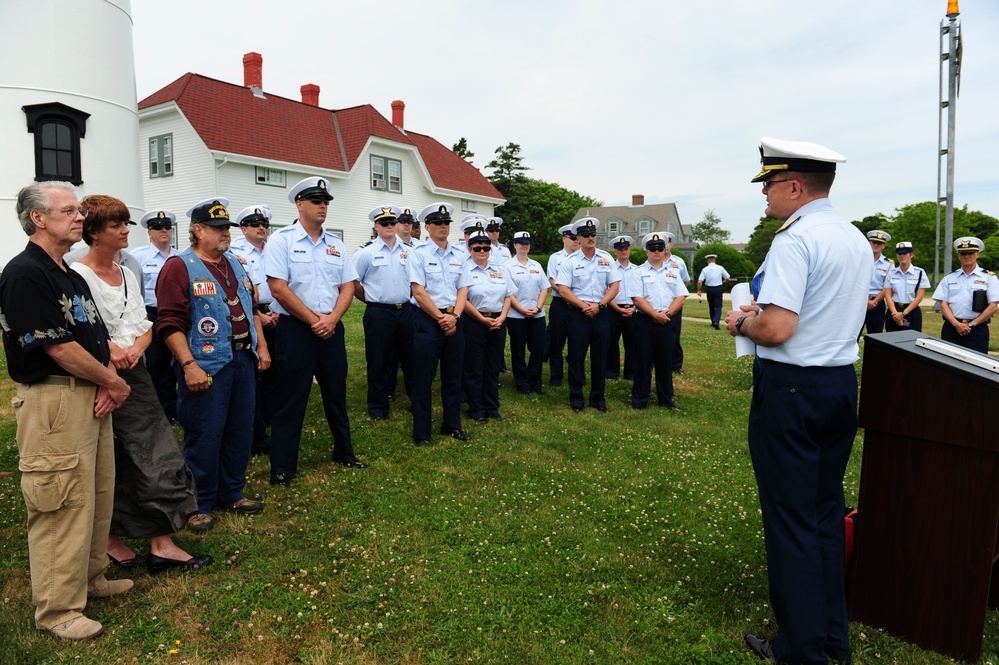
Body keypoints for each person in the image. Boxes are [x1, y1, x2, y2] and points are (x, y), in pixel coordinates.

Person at [725, 137, 870, 665]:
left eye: (768, 185)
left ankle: (800, 649)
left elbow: (779, 326)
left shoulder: (795, 239)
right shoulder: (853, 238)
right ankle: (832, 638)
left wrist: (742, 321)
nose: (764, 196)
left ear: (793, 185)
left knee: (790, 520)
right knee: (825, 511)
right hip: (837, 385)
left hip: (793, 390)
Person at [0, 182, 133, 640]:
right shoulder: (25, 273)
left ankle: (91, 580)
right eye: (70, 210)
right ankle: (58, 611)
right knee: (59, 502)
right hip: (55, 400)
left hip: (89, 394)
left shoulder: (69, 273)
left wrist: (104, 384)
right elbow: (57, 347)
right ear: (38, 218)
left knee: (95, 494)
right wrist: (113, 382)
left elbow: (91, 337)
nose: (81, 217)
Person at [70, 194, 210, 575]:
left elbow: (145, 325)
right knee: (110, 459)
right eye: (116, 225)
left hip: (135, 374)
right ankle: (112, 539)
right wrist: (112, 353)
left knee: (156, 450)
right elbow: (81, 331)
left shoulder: (128, 272)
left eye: (125, 223)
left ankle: (160, 542)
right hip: (97, 375)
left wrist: (134, 349)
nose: (124, 230)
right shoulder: (77, 276)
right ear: (94, 233)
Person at [156, 197, 269, 532]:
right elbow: (169, 323)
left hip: (242, 357)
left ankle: (231, 490)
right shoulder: (180, 266)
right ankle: (199, 503)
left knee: (240, 429)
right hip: (205, 362)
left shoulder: (234, 262)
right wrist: (188, 364)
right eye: (218, 229)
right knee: (205, 432)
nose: (225, 234)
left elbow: (251, 307)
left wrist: (261, 346)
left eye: (226, 229)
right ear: (197, 230)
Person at [264, 177, 366, 486]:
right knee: (291, 397)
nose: (323, 206)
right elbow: (278, 289)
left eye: (326, 202)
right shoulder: (281, 240)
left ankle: (344, 452)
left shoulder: (335, 244)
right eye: (316, 201)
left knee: (336, 393)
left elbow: (347, 286)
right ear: (299, 204)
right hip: (296, 330)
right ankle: (282, 466)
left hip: (331, 329)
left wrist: (333, 318)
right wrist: (314, 320)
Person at [408, 202, 470, 446]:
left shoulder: (459, 255)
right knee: (423, 377)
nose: (443, 227)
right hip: (427, 320)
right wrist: (441, 318)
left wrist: (454, 316)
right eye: (438, 223)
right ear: (427, 227)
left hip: (454, 319)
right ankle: (422, 432)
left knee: (454, 376)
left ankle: (452, 425)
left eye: (446, 223)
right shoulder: (418, 254)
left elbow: (463, 289)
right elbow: (418, 291)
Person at [352, 206, 415, 420]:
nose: (389, 226)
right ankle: (378, 407)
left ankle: (416, 401)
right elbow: (354, 282)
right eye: (384, 223)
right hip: (379, 313)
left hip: (406, 311)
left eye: (392, 222)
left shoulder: (408, 251)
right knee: (378, 359)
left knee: (411, 358)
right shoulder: (365, 252)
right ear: (376, 226)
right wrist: (370, 299)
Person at [556, 217, 620, 412]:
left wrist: (600, 305)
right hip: (578, 314)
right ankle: (576, 399)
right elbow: (563, 289)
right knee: (576, 357)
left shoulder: (606, 258)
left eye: (593, 234)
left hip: (600, 314)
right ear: (578, 238)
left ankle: (598, 399)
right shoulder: (570, 261)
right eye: (586, 235)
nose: (591, 238)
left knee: (600, 358)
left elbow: (615, 286)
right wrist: (584, 306)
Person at [231, 205, 280, 455]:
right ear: (244, 228)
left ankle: (271, 418)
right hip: (250, 314)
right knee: (257, 373)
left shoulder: (277, 247)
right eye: (255, 224)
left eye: (264, 224)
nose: (261, 228)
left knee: (277, 374)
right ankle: (256, 426)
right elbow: (237, 292)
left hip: (280, 312)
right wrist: (259, 315)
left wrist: (279, 310)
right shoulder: (235, 252)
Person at [130, 210, 182, 421]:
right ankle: (158, 411)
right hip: (150, 314)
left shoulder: (180, 257)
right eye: (158, 228)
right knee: (155, 365)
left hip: (177, 316)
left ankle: (175, 409)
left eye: (167, 227)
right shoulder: (138, 256)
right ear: (149, 232)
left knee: (178, 362)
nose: (164, 231)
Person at [459, 230, 513, 422]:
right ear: (470, 248)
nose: (482, 251)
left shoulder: (499, 269)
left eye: (486, 248)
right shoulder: (464, 269)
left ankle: (491, 406)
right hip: (474, 322)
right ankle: (475, 408)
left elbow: (508, 295)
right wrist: (481, 319)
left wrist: (503, 316)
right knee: (474, 367)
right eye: (477, 248)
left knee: (492, 366)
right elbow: (462, 299)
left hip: (498, 322)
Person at [629, 232, 688, 410]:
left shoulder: (673, 273)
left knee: (665, 362)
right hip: (645, 322)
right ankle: (640, 400)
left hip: (667, 322)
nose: (657, 252)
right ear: (646, 251)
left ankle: (666, 399)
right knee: (643, 362)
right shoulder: (638, 272)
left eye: (660, 249)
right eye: (653, 249)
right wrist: (656, 315)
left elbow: (681, 297)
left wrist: (667, 315)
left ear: (664, 250)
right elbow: (637, 299)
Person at [931, 236, 999, 353]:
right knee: (948, 364)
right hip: (952, 327)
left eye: (970, 253)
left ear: (978, 254)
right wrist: (956, 324)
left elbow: (993, 306)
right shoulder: (949, 277)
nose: (967, 256)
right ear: (958, 256)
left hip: (977, 329)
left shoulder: (989, 277)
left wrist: (971, 324)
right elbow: (943, 304)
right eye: (963, 254)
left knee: (977, 365)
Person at [504, 231, 549, 394]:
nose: (524, 245)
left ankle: (535, 382)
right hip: (516, 316)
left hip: (537, 315)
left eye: (527, 243)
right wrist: (522, 309)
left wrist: (537, 308)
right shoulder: (508, 266)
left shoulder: (536, 265)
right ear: (514, 245)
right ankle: (522, 383)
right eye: (521, 242)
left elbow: (545, 287)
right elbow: (508, 293)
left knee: (537, 349)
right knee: (518, 350)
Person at [546, 223, 579, 387]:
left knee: (577, 342)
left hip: (579, 306)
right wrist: (567, 295)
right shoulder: (556, 258)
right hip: (560, 303)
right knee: (556, 341)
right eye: (573, 238)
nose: (576, 241)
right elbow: (552, 281)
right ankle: (556, 376)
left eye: (577, 238)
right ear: (564, 239)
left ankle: (577, 376)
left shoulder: (582, 258)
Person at [605, 235, 638, 380]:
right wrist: (618, 309)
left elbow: (641, 292)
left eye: (626, 248)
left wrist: (634, 308)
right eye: (620, 249)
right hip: (613, 308)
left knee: (632, 342)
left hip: (632, 309)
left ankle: (631, 373)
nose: (623, 251)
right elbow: (606, 291)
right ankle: (612, 372)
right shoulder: (609, 269)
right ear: (615, 252)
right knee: (612, 342)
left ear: (629, 250)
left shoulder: (637, 270)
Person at [884, 241, 930, 332]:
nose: (902, 256)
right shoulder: (892, 273)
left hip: (911, 312)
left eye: (905, 253)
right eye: (899, 253)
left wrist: (903, 314)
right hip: (894, 311)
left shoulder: (919, 273)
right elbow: (888, 295)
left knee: (912, 340)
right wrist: (895, 315)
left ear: (911, 254)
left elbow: (919, 297)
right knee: (891, 342)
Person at [662, 233, 691, 374]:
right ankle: (657, 361)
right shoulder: (654, 260)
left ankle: (676, 364)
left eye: (668, 242)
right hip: (658, 305)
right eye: (663, 243)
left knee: (674, 334)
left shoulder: (679, 262)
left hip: (675, 305)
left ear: (671, 244)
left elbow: (685, 281)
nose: (665, 246)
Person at [862, 229, 893, 335]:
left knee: (875, 336)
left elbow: (887, 286)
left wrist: (874, 302)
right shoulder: (860, 260)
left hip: (877, 303)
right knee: (853, 335)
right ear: (869, 243)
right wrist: (866, 301)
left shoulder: (888, 264)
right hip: (860, 300)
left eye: (879, 243)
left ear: (883, 245)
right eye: (873, 242)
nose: (876, 245)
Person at [696, 254, 732, 329]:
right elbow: (728, 278)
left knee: (711, 306)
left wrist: (699, 290)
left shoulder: (705, 269)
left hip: (709, 289)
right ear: (715, 260)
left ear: (708, 261)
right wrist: (723, 282)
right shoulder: (720, 268)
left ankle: (713, 321)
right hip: (718, 288)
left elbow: (700, 281)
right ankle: (716, 321)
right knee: (718, 306)